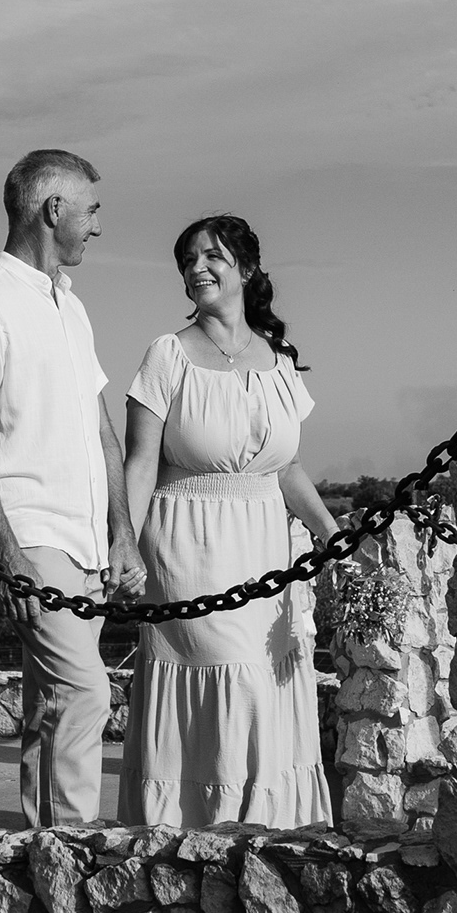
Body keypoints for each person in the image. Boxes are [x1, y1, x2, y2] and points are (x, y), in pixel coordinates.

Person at [118, 213, 342, 828]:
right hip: (188, 545)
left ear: (246, 269)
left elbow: (286, 467)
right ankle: (203, 828)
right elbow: (140, 463)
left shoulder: (280, 359)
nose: (197, 268)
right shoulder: (167, 355)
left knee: (269, 681)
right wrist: (123, 546)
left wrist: (331, 533)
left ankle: (269, 832)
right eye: (187, 260)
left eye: (211, 256)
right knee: (235, 679)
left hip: (268, 548)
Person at [0, 150, 146, 827]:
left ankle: (46, 849)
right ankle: (75, 851)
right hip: (34, 540)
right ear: (53, 209)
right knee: (85, 694)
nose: (97, 226)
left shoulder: (72, 306)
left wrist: (121, 533)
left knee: (52, 704)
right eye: (91, 210)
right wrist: (9, 557)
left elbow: (102, 432)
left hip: (88, 543)